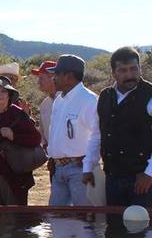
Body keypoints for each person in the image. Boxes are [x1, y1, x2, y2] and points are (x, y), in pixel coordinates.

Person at [84, 46, 152, 206]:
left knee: (141, 226)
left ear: (140, 69)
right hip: (112, 177)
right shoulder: (105, 96)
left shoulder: (149, 95)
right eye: (123, 70)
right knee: (114, 227)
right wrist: (88, 166)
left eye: (134, 69)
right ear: (114, 73)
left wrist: (149, 174)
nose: (129, 75)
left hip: (142, 180)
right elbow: (97, 134)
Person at [0, 75, 42, 205]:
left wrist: (14, 136)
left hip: (12, 178)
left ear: (9, 95)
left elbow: (35, 139)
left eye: (3, 91)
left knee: (14, 220)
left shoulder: (17, 113)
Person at [47, 54, 99, 206]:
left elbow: (97, 135)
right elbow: (56, 132)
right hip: (58, 170)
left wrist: (89, 167)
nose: (53, 78)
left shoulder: (89, 100)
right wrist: (52, 156)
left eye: (57, 74)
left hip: (79, 170)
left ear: (69, 76)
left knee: (82, 220)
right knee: (57, 219)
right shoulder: (59, 100)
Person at [31, 60, 57, 147]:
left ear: (53, 78)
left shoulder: (70, 101)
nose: (38, 82)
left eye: (41, 78)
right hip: (53, 157)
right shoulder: (44, 105)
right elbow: (43, 133)